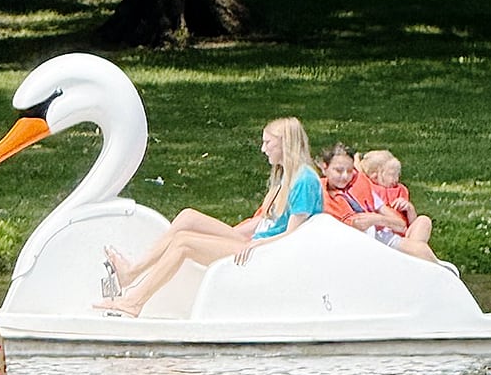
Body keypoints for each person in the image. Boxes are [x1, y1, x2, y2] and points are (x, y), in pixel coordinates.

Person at [96, 117, 324, 318]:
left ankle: (134, 302)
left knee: (184, 242)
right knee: (187, 218)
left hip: (267, 253)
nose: (263, 149)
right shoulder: (285, 176)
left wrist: (256, 243)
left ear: (285, 144)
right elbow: (265, 221)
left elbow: (294, 237)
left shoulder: (304, 181)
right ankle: (132, 272)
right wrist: (230, 235)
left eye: (268, 143)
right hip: (256, 244)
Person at [319, 143, 439, 263]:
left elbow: (400, 225)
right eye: (339, 171)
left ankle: (442, 272)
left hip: (384, 238)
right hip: (358, 247)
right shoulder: (318, 193)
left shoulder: (360, 186)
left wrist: (375, 219)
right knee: (416, 252)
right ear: (325, 168)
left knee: (419, 244)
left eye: (350, 171)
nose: (345, 176)